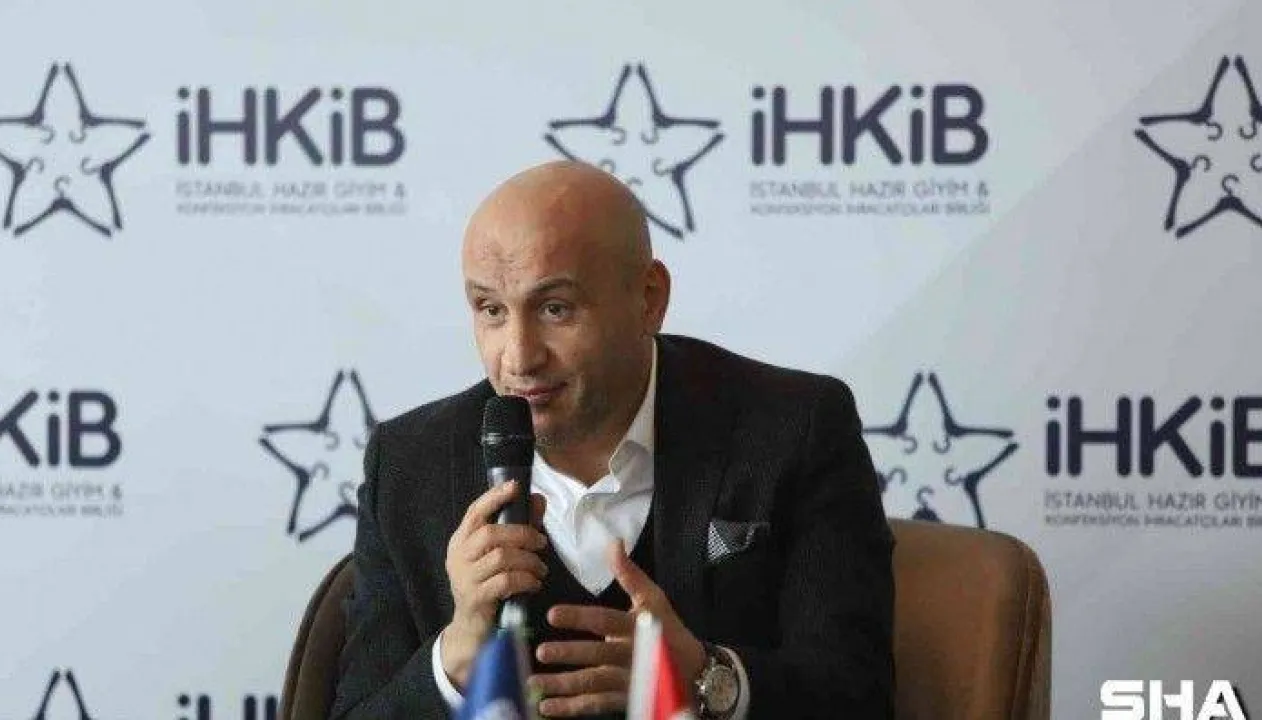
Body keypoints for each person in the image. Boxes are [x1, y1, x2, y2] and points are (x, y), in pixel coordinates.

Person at [328, 160, 895, 719]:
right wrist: (457, 654)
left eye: (555, 309)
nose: (519, 357)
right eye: (491, 310)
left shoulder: (793, 429)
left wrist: (707, 678)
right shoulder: (408, 465)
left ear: (649, 298)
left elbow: (858, 695)